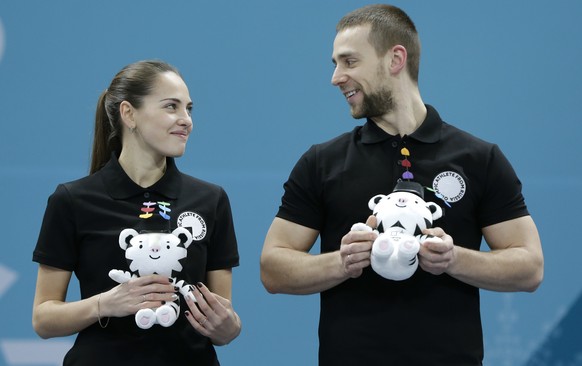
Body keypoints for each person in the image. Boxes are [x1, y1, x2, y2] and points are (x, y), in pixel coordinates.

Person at [260, 4, 543, 365]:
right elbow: (272, 267)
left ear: (395, 59)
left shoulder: (479, 158)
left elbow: (530, 266)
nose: (336, 77)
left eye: (349, 62)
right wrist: (342, 262)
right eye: (335, 64)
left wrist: (454, 260)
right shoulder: (321, 162)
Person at [32, 60, 241, 366]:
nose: (186, 120)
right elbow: (43, 319)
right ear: (128, 114)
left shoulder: (211, 200)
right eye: (171, 106)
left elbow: (223, 324)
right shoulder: (72, 200)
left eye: (189, 109)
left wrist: (229, 327)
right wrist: (107, 303)